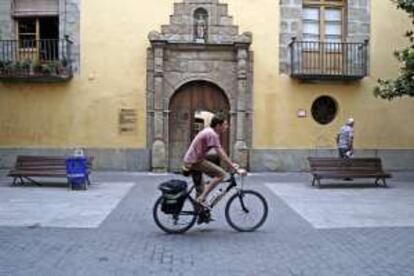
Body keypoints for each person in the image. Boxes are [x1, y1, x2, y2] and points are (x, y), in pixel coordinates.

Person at [182, 113, 240, 206]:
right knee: (221, 174)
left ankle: (200, 211)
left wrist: (230, 164)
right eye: (225, 124)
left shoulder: (210, 132)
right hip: (194, 161)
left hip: (193, 160)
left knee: (200, 189)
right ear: (218, 125)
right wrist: (232, 166)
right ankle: (202, 197)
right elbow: (220, 152)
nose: (227, 127)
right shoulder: (212, 134)